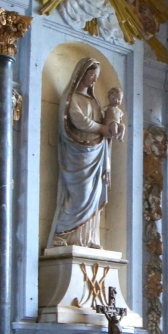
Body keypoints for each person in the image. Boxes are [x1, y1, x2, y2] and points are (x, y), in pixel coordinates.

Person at [48, 58, 117, 249]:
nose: (95, 79)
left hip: (96, 153)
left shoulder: (94, 102)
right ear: (82, 74)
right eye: (92, 74)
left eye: (97, 76)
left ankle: (89, 239)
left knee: (94, 195)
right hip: (77, 153)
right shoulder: (72, 98)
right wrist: (101, 128)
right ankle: (62, 234)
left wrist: (113, 125)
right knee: (81, 194)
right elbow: (78, 120)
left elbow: (107, 123)